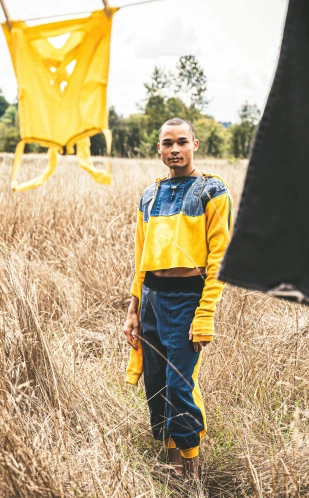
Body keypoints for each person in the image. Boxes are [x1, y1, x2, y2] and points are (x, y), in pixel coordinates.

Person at [123, 117, 233, 479]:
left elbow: (220, 258)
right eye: (167, 143)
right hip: (153, 298)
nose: (174, 149)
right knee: (156, 386)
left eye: (182, 142)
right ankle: (173, 470)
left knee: (180, 385)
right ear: (158, 148)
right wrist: (134, 309)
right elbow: (141, 258)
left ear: (194, 145)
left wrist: (205, 313)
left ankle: (194, 473)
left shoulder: (211, 191)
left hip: (187, 301)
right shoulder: (149, 196)